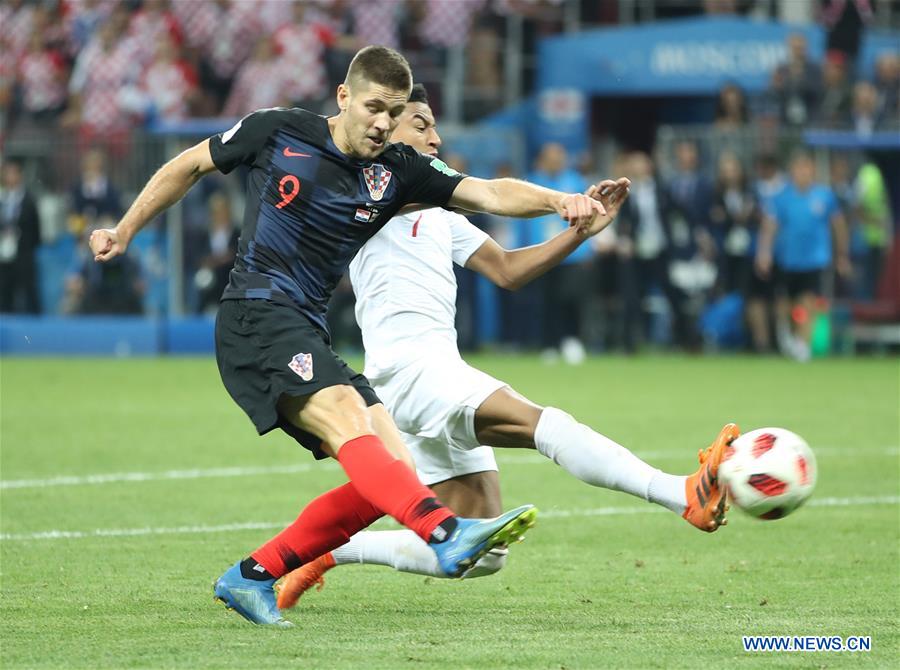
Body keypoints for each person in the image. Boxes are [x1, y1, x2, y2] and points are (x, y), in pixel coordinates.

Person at [89, 46, 613, 627]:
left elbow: (489, 193)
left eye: (394, 112)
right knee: (348, 418)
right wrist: (125, 229)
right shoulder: (278, 131)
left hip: (306, 326)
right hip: (256, 313)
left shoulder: (399, 170)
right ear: (343, 97)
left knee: (392, 473)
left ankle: (252, 575)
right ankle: (445, 533)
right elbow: (188, 166)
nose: (383, 123)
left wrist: (560, 200)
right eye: (373, 108)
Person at [275, 85, 738, 608]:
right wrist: (560, 201)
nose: (436, 137)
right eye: (421, 125)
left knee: (483, 551)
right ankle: (680, 495)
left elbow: (507, 269)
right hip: (412, 372)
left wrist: (579, 234)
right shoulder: (364, 192)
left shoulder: (439, 212)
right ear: (384, 129)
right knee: (545, 424)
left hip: (429, 374)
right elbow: (492, 193)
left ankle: (327, 553)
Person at [756, 151, 850, 362]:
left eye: (806, 168)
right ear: (792, 171)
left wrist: (842, 255)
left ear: (813, 170)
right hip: (788, 260)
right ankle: (788, 337)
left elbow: (838, 226)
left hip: (815, 259)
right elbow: (770, 227)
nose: (802, 172)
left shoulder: (824, 196)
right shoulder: (781, 197)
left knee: (809, 302)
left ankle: (803, 344)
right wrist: (764, 253)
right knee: (785, 305)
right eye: (798, 168)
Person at [0, 158, 41, 314]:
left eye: (13, 173)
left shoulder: (29, 200)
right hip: (4, 252)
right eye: (7, 173)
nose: (10, 177)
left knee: (28, 291)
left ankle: (35, 323)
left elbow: (36, 229)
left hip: (23, 252)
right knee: (5, 290)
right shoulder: (2, 199)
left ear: (20, 175)